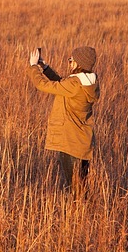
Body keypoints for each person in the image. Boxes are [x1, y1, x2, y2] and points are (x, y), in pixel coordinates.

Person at [26, 45, 100, 192]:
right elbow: (61, 83)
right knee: (82, 185)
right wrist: (45, 67)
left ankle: (78, 212)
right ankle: (84, 210)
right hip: (82, 141)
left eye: (71, 60)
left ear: (79, 63)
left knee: (74, 187)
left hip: (70, 142)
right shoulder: (87, 83)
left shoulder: (74, 84)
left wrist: (33, 66)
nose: (69, 63)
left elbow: (43, 85)